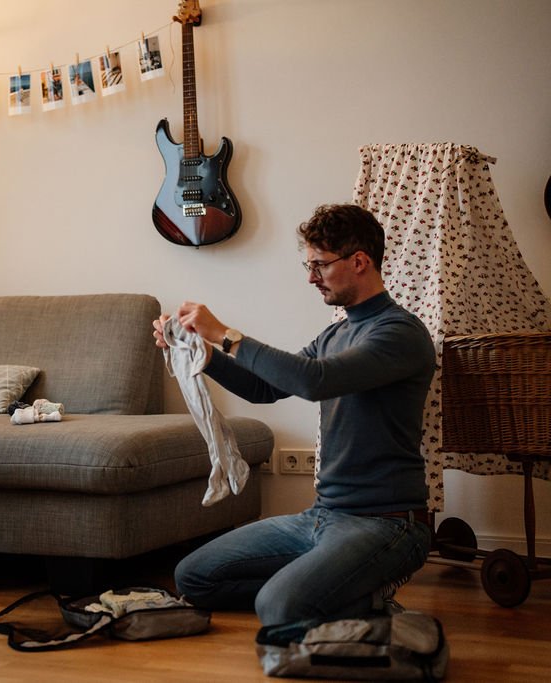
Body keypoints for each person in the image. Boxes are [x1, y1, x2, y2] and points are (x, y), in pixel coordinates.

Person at [152, 203, 435, 627]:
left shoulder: (400, 334)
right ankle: (334, 589)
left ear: (359, 262)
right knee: (192, 577)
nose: (311, 277)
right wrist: (203, 353)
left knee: (278, 607)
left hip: (388, 524)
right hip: (321, 516)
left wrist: (225, 335)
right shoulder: (336, 333)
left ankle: (332, 593)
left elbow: (314, 381)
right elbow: (264, 388)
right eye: (309, 265)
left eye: (320, 265)